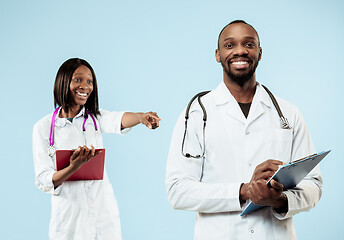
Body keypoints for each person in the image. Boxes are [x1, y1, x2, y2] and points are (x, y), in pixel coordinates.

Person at [166, 20, 322, 240]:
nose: (240, 51)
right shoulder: (196, 115)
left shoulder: (288, 113)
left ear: (259, 52)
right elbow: (177, 191)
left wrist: (280, 200)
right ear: (217, 55)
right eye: (230, 45)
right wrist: (244, 190)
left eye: (249, 44)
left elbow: (313, 184)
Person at [33, 58, 161, 240]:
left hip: (103, 215)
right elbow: (43, 180)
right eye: (78, 80)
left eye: (89, 81)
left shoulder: (95, 118)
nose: (85, 86)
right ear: (63, 81)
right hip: (69, 219)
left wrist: (141, 117)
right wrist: (73, 167)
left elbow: (117, 119)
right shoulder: (44, 127)